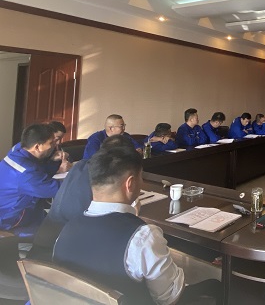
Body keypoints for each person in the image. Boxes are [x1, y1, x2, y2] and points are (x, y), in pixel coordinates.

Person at [53, 142, 223, 304]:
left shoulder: (67, 228)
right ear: (130, 183)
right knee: (214, 285)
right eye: (141, 177)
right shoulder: (142, 235)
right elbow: (170, 298)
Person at [0, 124, 70, 235]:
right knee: (61, 232)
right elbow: (58, 189)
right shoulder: (26, 173)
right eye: (51, 143)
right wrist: (79, 176)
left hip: (24, 209)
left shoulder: (18, 151)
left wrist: (52, 160)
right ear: (37, 147)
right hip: (12, 220)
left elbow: (39, 173)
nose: (55, 145)